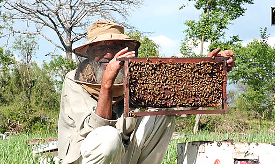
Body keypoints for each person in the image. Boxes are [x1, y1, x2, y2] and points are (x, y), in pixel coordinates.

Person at [58, 20, 235, 164]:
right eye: (101, 48)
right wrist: (107, 85)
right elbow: (95, 134)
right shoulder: (73, 81)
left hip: (124, 154)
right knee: (107, 136)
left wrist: (208, 73)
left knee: (162, 112)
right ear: (89, 53)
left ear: (125, 51)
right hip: (85, 158)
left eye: (114, 48)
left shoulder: (135, 76)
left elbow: (177, 100)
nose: (108, 54)